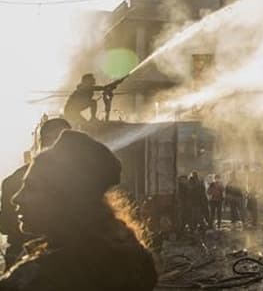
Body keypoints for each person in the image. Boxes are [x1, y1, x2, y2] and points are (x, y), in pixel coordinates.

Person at [0, 130, 156, 290]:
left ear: (63, 198)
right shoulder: (134, 257)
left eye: (31, 188)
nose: (16, 198)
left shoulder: (38, 277)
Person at [0, 118, 71, 271]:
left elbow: (5, 226)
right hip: (47, 259)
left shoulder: (13, 181)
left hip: (24, 257)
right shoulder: (80, 181)